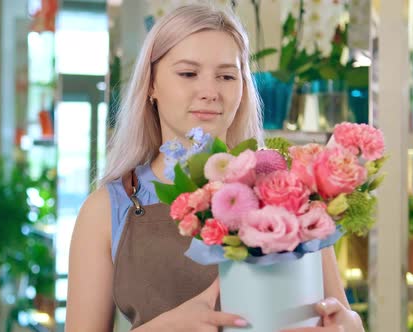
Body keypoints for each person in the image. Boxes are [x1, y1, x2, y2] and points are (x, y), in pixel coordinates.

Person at [66, 4, 364, 332]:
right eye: (188, 73)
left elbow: (342, 316)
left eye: (226, 76)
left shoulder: (289, 193)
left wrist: (346, 324)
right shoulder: (105, 210)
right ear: (151, 84)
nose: (210, 92)